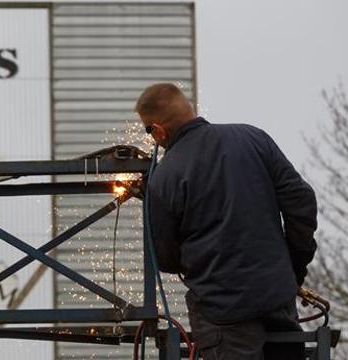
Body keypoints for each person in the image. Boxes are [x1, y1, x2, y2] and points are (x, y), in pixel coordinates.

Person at [136, 83, 318, 359]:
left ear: (158, 129)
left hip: (223, 320)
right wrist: (293, 264)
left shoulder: (163, 179)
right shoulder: (253, 138)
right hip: (278, 303)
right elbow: (301, 201)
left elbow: (166, 258)